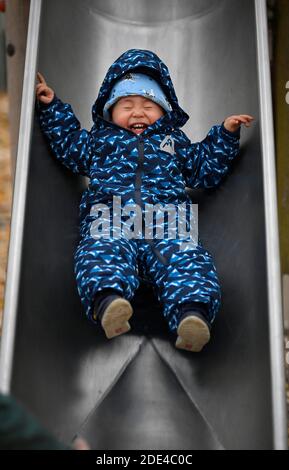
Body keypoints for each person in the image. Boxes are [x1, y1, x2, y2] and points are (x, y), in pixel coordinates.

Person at [36, 49, 253, 352]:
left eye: (150, 105)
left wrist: (226, 135)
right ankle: (109, 302)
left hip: (166, 222)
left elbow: (204, 169)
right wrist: (52, 108)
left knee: (187, 259)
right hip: (111, 216)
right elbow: (70, 144)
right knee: (100, 249)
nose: (138, 112)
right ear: (108, 111)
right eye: (126, 105)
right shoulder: (99, 142)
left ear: (165, 112)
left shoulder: (174, 143)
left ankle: (192, 315)